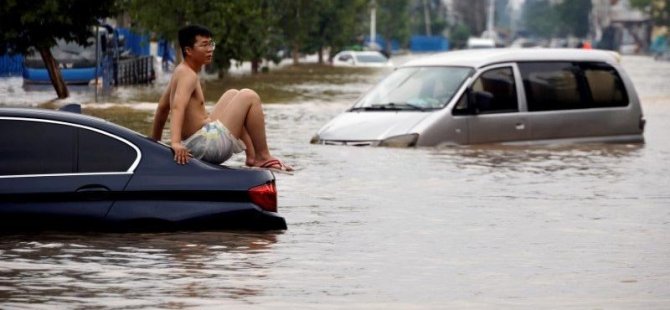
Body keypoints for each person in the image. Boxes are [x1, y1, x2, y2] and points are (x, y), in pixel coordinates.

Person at [151, 24, 292, 172]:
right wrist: (175, 143)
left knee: (231, 95)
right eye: (204, 45)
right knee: (249, 96)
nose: (210, 49)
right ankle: (263, 156)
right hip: (204, 145)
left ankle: (252, 157)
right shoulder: (188, 75)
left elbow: (162, 108)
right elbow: (177, 107)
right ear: (188, 50)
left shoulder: (180, 71)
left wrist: (153, 146)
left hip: (199, 141)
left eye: (211, 44)